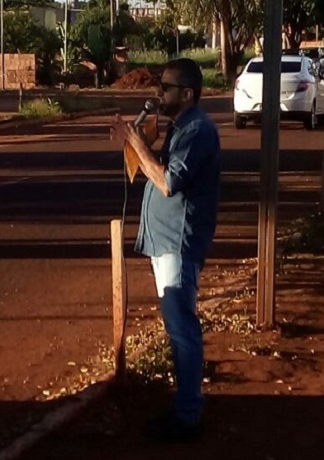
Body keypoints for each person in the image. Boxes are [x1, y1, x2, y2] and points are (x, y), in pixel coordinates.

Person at [110, 58, 221, 442]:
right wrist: (142, 140)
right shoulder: (181, 128)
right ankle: (185, 407)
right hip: (165, 241)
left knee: (182, 329)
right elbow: (153, 166)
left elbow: (168, 181)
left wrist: (138, 142)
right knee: (178, 328)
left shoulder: (198, 130)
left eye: (167, 88)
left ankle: (188, 416)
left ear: (187, 93)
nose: (159, 94)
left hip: (179, 243)